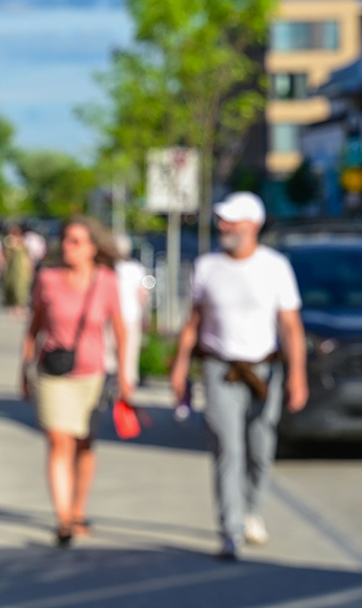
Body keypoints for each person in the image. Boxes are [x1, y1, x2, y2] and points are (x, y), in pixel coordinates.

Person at [169, 192, 308, 560]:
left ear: (253, 226)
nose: (223, 227)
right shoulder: (207, 266)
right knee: (227, 449)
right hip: (220, 369)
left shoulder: (274, 266)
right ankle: (230, 529)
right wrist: (180, 369)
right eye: (221, 220)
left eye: (231, 221)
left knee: (260, 448)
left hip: (263, 369)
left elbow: (290, 325)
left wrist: (297, 375)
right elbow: (192, 322)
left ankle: (251, 510)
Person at [21, 217, 131, 546]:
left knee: (85, 444)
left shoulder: (107, 281)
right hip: (53, 374)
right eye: (66, 240)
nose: (68, 247)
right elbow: (34, 326)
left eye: (77, 242)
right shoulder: (48, 279)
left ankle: (78, 509)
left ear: (92, 249)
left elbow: (120, 330)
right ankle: (64, 518)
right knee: (60, 441)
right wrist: (23, 368)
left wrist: (125, 375)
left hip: (93, 375)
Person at [107, 235, 149, 389]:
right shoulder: (136, 268)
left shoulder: (109, 269)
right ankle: (125, 389)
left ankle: (110, 386)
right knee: (129, 356)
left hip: (111, 317)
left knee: (109, 356)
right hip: (131, 317)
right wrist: (145, 315)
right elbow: (142, 295)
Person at [2, 225, 33, 318]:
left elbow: (26, 258)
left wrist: (29, 270)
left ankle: (22, 307)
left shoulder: (23, 244)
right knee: (12, 287)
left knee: (21, 289)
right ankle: (14, 308)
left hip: (20, 270)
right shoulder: (10, 244)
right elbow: (6, 256)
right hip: (12, 269)